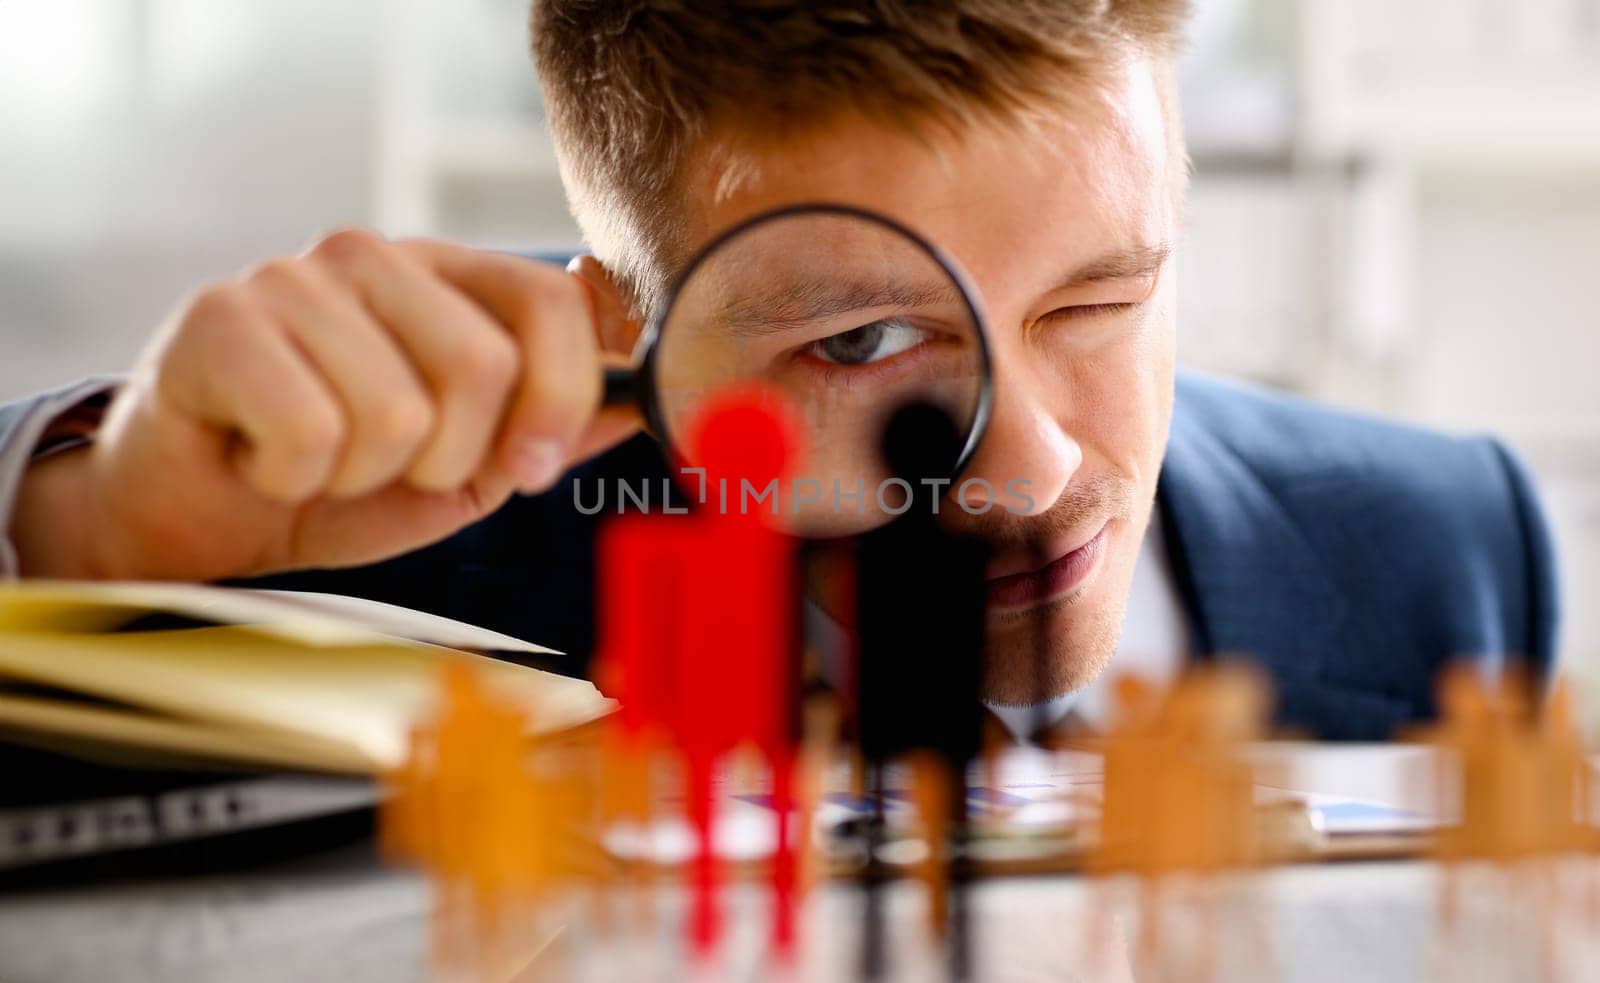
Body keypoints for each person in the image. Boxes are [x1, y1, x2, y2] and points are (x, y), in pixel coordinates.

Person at [0, 1, 1558, 740]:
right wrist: (79, 549)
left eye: (1101, 300)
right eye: (862, 342)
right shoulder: (385, 563)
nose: (1026, 470)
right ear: (629, 333)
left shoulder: (1451, 554)